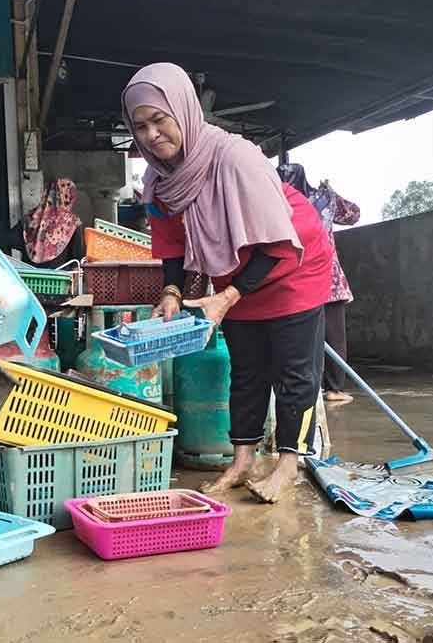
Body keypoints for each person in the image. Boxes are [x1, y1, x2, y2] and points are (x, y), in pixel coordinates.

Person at [123, 63, 334, 503]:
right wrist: (172, 291)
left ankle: (289, 465)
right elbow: (170, 240)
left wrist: (227, 296)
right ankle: (242, 461)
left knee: (295, 373)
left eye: (160, 120)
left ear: (184, 111)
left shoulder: (235, 156)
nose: (152, 134)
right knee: (247, 369)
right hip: (235, 270)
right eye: (140, 126)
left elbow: (278, 244)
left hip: (292, 260)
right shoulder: (159, 179)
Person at [277, 165, 361, 404]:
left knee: (302, 338)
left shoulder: (277, 202)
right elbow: (353, 215)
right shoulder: (323, 198)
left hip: (294, 281)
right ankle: (333, 388)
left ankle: (301, 386)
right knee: (333, 337)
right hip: (327, 280)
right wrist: (332, 192)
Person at [9, 178, 85, 268]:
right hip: (59, 279)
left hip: (30, 277)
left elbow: (10, 241)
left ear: (47, 192)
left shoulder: (29, 218)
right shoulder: (73, 223)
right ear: (70, 197)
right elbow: (78, 258)